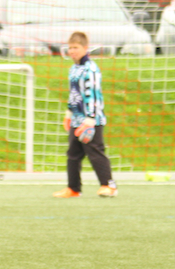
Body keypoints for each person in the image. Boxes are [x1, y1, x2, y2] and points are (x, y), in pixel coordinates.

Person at [53, 32, 117, 198]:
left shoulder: (91, 69)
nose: (72, 51)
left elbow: (94, 95)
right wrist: (69, 113)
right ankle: (73, 188)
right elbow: (74, 94)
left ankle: (109, 185)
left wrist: (90, 119)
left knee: (95, 152)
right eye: (70, 48)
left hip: (91, 120)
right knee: (73, 155)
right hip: (77, 119)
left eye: (76, 47)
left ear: (85, 48)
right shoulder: (74, 69)